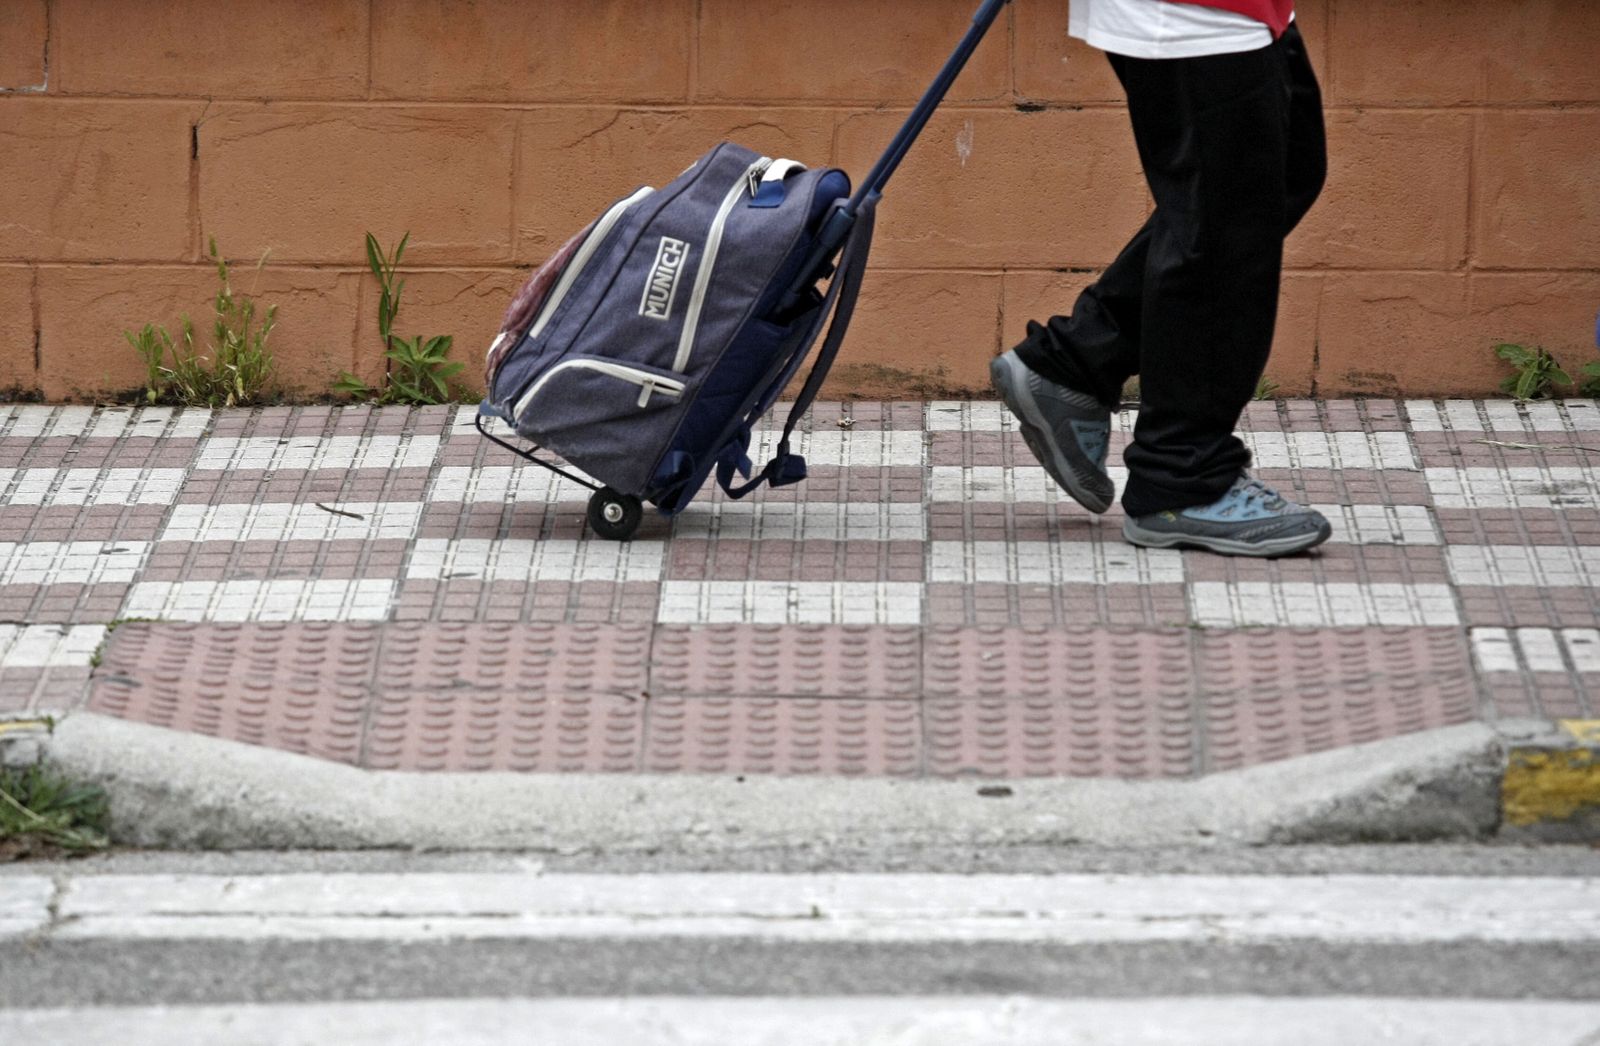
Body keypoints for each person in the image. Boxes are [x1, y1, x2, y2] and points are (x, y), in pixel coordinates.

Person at [990, 0, 1330, 557]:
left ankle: (1076, 361)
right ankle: (1181, 476)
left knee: (1284, 170)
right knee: (1221, 220)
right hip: (1193, 9)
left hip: (1250, 8)